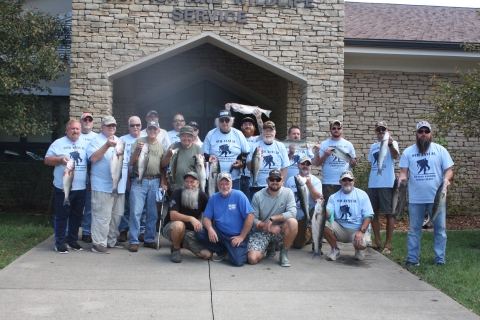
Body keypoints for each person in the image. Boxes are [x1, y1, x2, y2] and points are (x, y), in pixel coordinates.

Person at [399, 121, 454, 268]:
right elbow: (404, 173)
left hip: (437, 198)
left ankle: (440, 259)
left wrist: (446, 180)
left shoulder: (440, 150)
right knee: (414, 230)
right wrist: (401, 180)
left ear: (431, 133)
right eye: (420, 131)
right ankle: (412, 259)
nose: (423, 134)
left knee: (440, 230)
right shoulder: (408, 152)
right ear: (416, 134)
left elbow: (449, 170)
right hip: (416, 199)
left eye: (426, 131)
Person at [45, 120, 89, 253]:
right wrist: (59, 160)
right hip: (63, 187)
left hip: (81, 187)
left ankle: (73, 241)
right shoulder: (58, 143)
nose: (75, 131)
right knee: (62, 215)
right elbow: (47, 160)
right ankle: (59, 242)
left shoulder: (86, 144)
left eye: (77, 129)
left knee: (76, 215)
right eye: (72, 129)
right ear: (67, 130)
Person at [86, 116, 128, 253]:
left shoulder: (119, 141)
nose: (111, 128)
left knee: (116, 215)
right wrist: (106, 146)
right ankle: (98, 243)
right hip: (102, 186)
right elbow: (93, 158)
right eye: (108, 125)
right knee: (102, 215)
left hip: (118, 187)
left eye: (113, 125)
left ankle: (110, 241)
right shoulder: (96, 141)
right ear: (102, 127)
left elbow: (124, 163)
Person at [194, 172, 254, 267]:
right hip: (220, 232)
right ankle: (222, 251)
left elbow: (250, 216)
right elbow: (206, 218)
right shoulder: (213, 198)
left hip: (236, 235)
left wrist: (242, 236)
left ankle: (237, 248)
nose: (224, 186)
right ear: (217, 184)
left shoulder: (239, 195)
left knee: (238, 262)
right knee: (199, 232)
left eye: (227, 184)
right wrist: (210, 229)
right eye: (221, 184)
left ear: (232, 184)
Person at [128, 120, 168, 252]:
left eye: (154, 129)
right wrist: (138, 150)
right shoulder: (139, 141)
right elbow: (131, 162)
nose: (152, 131)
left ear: (158, 131)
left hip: (155, 181)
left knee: (152, 213)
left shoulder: (161, 146)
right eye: (150, 128)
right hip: (140, 180)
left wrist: (163, 182)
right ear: (147, 129)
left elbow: (163, 167)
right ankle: (134, 240)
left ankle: (149, 239)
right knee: (136, 211)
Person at [247, 169, 297, 267]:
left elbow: (293, 213)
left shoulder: (288, 193)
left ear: (282, 181)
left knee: (293, 222)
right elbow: (253, 219)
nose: (275, 182)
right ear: (267, 181)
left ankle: (284, 252)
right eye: (272, 179)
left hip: (279, 230)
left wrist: (272, 218)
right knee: (252, 259)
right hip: (261, 231)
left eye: (277, 179)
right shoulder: (258, 196)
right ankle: (268, 246)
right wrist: (268, 227)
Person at [162, 171, 212, 263]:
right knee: (179, 225)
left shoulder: (202, 196)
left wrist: (209, 229)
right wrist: (191, 219)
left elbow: (210, 215)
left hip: (190, 231)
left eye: (192, 182)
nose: (189, 184)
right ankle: (176, 250)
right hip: (171, 227)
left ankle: (180, 244)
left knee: (207, 254)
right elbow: (172, 215)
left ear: (198, 183)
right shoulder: (177, 193)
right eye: (186, 181)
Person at [324, 170, 373, 261]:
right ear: (340, 182)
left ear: (353, 181)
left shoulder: (362, 195)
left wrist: (361, 231)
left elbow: (368, 216)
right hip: (341, 228)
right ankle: (335, 249)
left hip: (357, 229)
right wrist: (323, 207)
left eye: (349, 180)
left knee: (361, 244)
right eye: (344, 180)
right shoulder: (333, 197)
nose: (347, 182)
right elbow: (329, 216)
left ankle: (358, 250)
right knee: (325, 224)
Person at [367, 121, 399, 254]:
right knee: (373, 213)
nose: (380, 131)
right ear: (375, 131)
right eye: (378, 129)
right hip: (373, 183)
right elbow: (372, 162)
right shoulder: (373, 146)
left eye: (383, 129)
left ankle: (388, 244)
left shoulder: (392, 142)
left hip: (386, 183)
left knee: (389, 214)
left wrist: (390, 143)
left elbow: (395, 155)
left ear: (387, 130)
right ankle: (378, 242)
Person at [312, 120, 357, 206]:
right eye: (334, 128)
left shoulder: (348, 144)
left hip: (345, 181)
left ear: (342, 130)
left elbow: (352, 164)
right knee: (329, 207)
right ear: (330, 130)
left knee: (344, 206)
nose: (336, 130)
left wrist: (353, 162)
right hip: (329, 182)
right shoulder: (324, 144)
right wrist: (325, 155)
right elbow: (317, 163)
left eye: (338, 128)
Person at [203, 110, 249, 191]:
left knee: (233, 202)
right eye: (222, 120)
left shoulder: (238, 134)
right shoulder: (211, 134)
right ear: (218, 121)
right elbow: (203, 153)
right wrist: (209, 156)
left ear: (231, 121)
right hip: (215, 179)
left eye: (227, 120)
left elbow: (247, 152)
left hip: (234, 178)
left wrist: (241, 163)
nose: (224, 123)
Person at [285, 156, 323, 249]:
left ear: (311, 167)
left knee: (320, 209)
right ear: (298, 165)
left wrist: (309, 184)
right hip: (295, 216)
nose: (305, 166)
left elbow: (319, 199)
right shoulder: (290, 180)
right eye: (303, 164)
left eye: (308, 164)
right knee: (298, 244)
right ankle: (308, 233)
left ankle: (315, 239)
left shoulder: (315, 181)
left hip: (308, 213)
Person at [246, 120, 289, 200]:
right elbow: (249, 167)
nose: (268, 133)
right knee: (256, 211)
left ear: (275, 132)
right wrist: (256, 156)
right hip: (257, 186)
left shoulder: (281, 146)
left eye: (271, 130)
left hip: (275, 185)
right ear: (262, 133)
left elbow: (284, 167)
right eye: (266, 130)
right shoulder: (255, 146)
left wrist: (281, 183)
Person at [118, 116, 142, 242]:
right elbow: (123, 161)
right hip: (126, 178)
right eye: (132, 125)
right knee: (126, 206)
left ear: (141, 126)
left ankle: (141, 231)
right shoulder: (122, 140)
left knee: (140, 208)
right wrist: (126, 178)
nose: (135, 127)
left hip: (140, 178)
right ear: (128, 127)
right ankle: (123, 230)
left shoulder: (145, 139)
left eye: (137, 125)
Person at [161, 125, 204, 192]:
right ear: (179, 137)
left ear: (192, 137)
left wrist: (203, 161)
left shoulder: (197, 148)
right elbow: (163, 165)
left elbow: (202, 168)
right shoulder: (173, 146)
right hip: (176, 187)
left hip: (192, 188)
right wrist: (169, 155)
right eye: (183, 136)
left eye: (189, 136)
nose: (186, 138)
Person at [79, 112, 97, 244]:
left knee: (89, 208)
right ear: (81, 121)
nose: (87, 121)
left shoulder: (96, 138)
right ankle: (70, 232)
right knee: (74, 207)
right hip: (76, 177)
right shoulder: (75, 136)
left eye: (90, 119)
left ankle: (86, 232)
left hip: (91, 177)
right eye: (85, 119)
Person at [237, 109, 263, 197]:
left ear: (254, 128)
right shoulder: (236, 139)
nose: (247, 126)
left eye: (250, 124)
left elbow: (264, 132)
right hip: (238, 176)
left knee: (249, 202)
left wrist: (259, 118)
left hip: (250, 177)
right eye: (245, 124)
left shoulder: (257, 140)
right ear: (241, 127)